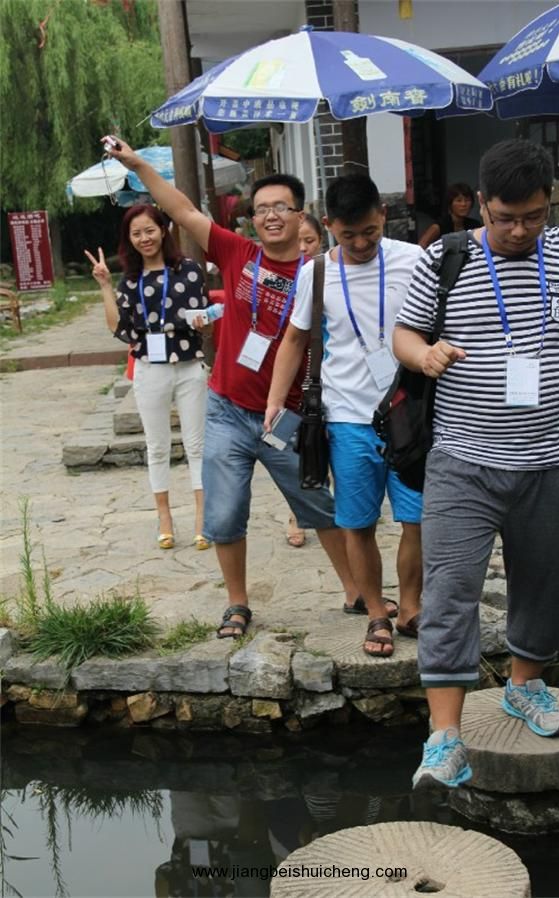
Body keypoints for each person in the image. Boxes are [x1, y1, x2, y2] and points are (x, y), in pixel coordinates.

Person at [394, 139, 559, 790]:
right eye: (505, 217)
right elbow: (404, 334)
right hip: (464, 460)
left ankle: (524, 685)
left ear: (549, 203)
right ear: (481, 203)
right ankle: (444, 738)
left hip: (548, 460)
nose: (518, 230)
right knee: (449, 592)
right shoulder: (445, 258)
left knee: (546, 581)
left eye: (533, 216)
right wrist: (423, 355)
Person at [104, 138, 365, 639]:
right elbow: (181, 210)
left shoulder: (322, 275)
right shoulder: (238, 252)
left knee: (319, 507)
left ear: (300, 215)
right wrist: (137, 165)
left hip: (287, 417)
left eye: (281, 207)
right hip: (226, 408)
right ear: (253, 218)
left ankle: (355, 592)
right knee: (223, 514)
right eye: (261, 208)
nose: (270, 216)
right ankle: (237, 604)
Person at [266, 174, 424, 658]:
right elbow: (295, 338)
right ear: (328, 224)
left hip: (408, 413)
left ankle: (411, 607)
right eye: (347, 234)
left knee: (418, 521)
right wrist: (275, 401)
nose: (359, 244)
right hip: (347, 416)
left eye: (369, 232)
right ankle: (376, 612)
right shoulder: (315, 273)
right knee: (358, 523)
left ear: (383, 215)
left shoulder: (413, 260)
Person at [85, 205, 212, 552]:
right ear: (129, 239)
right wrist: (105, 286)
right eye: (136, 233)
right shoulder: (130, 280)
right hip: (149, 367)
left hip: (189, 365)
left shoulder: (189, 270)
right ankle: (164, 517)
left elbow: (205, 319)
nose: (145, 238)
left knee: (197, 445)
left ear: (163, 230)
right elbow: (120, 329)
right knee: (157, 446)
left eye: (150, 230)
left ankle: (203, 517)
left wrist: (204, 321)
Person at [285, 212, 324, 549]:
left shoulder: (330, 272)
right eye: (297, 242)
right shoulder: (282, 276)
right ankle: (296, 513)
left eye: (309, 241)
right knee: (299, 445)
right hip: (295, 374)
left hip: (328, 371)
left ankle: (335, 504)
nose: (302, 248)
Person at [419, 182, 479, 249]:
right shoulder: (439, 226)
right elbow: (421, 245)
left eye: (467, 200)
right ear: (450, 204)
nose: (463, 204)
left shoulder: (475, 226)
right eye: (459, 200)